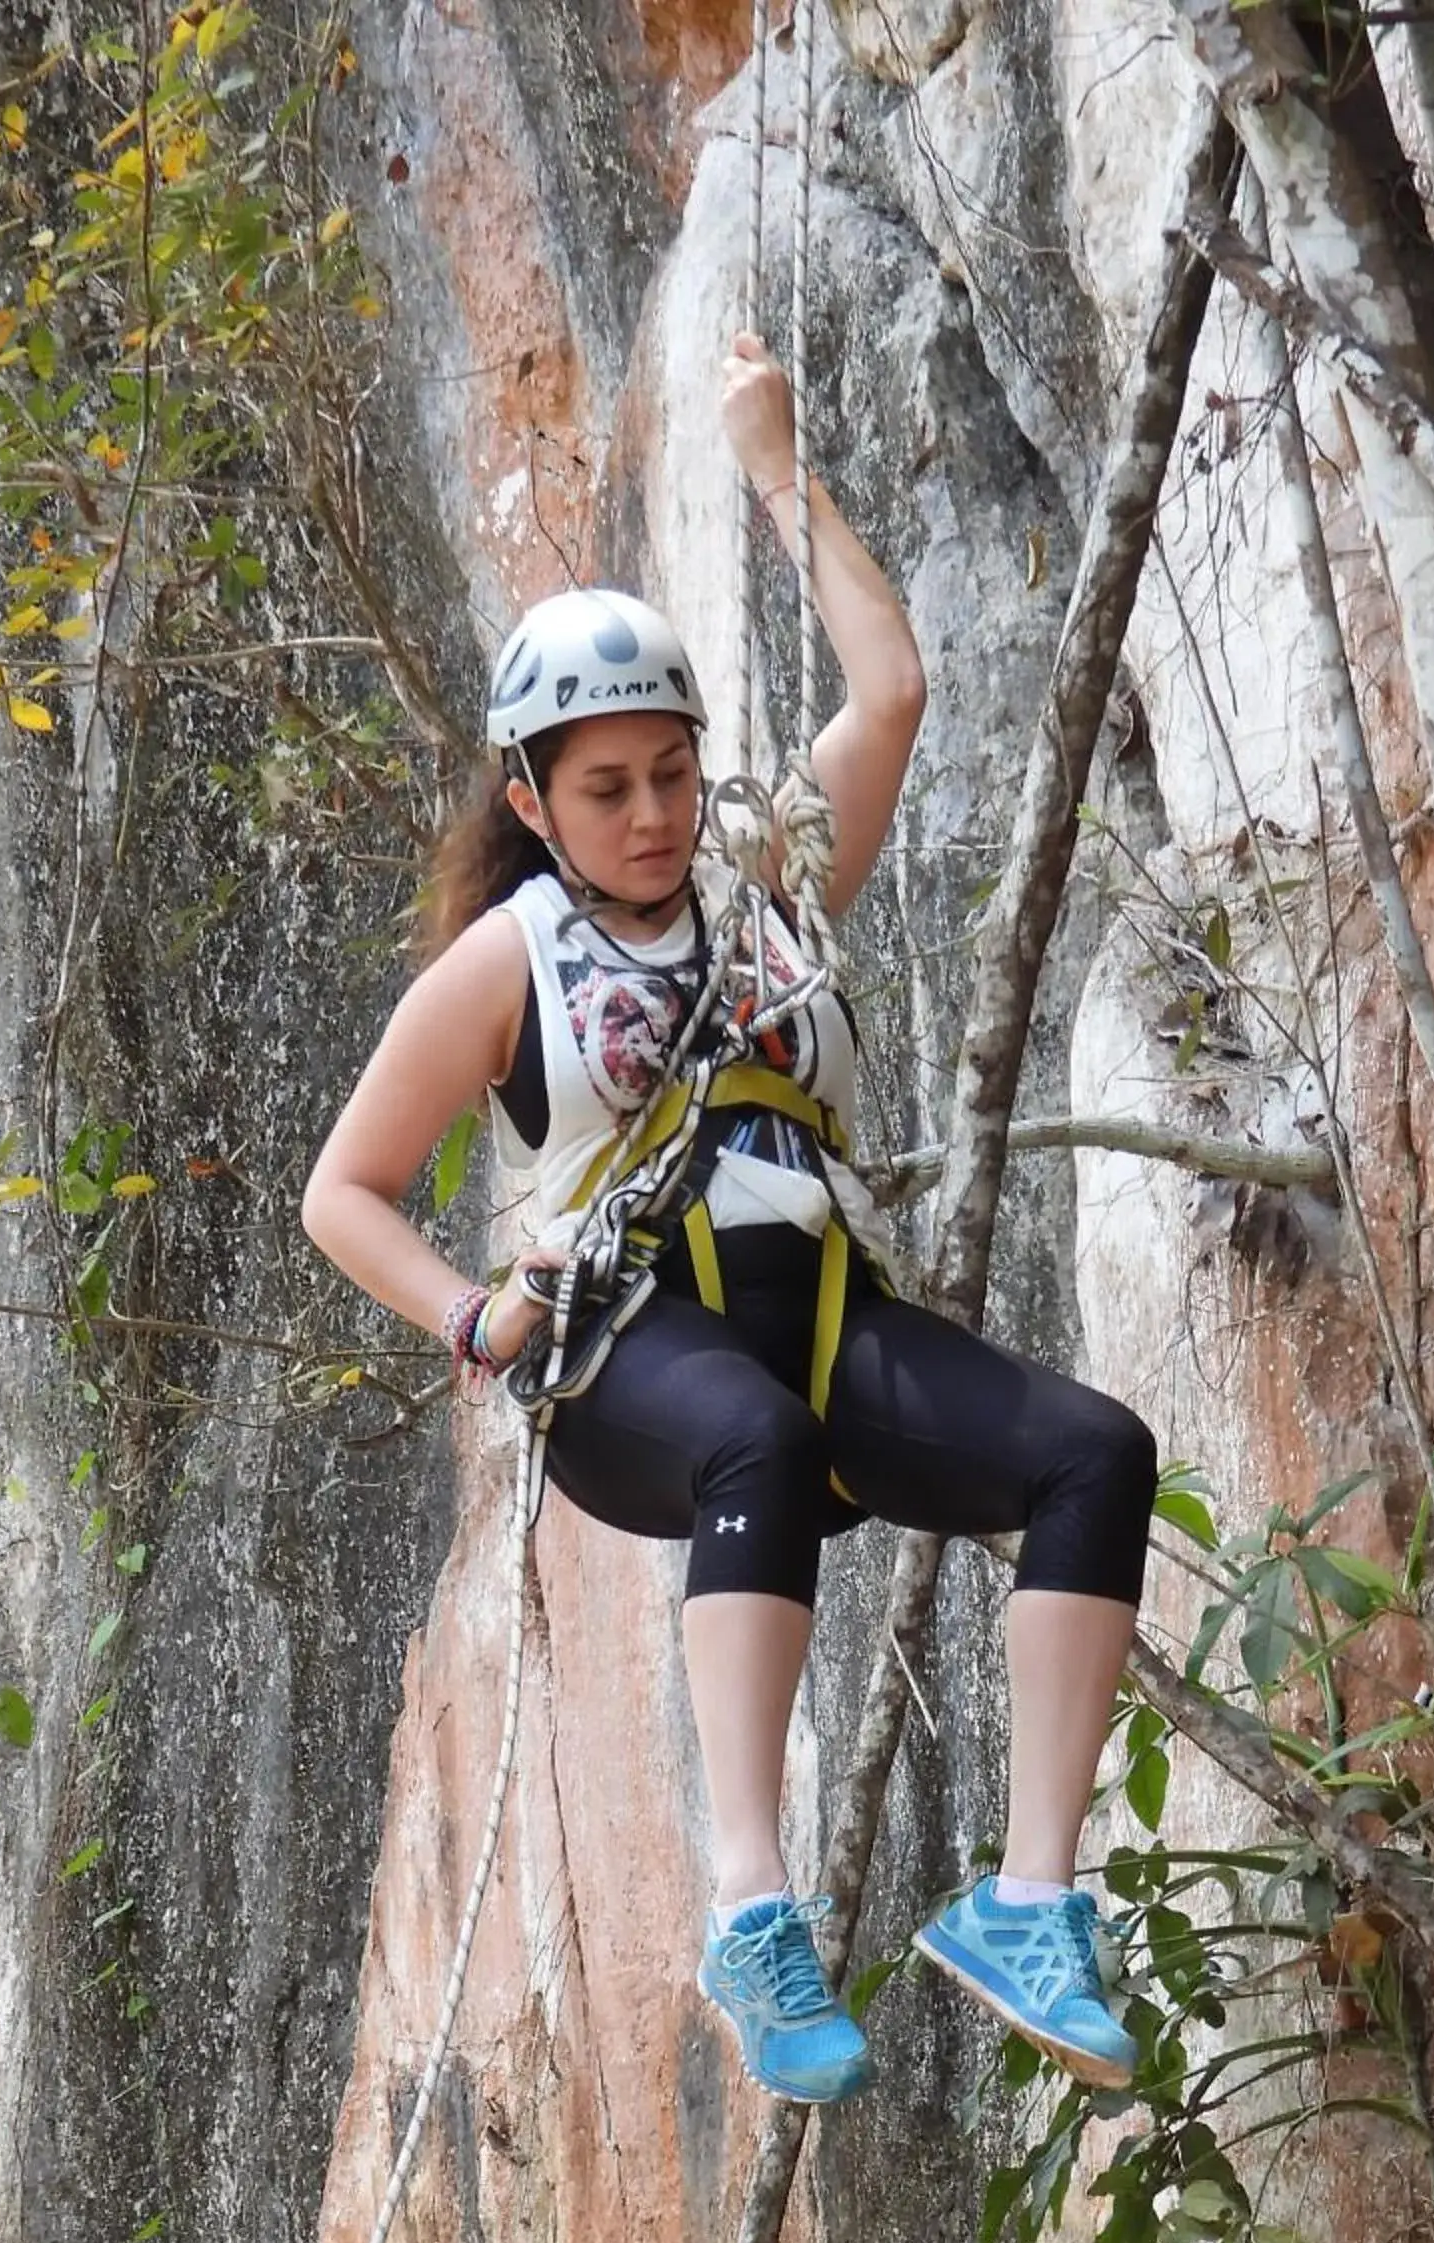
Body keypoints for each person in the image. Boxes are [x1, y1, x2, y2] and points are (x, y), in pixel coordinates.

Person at [303, 336, 1158, 2108]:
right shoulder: (508, 963)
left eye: (670, 776)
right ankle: (756, 1913)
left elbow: (895, 685)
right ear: (532, 800)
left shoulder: (769, 890)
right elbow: (344, 1191)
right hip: (631, 1354)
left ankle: (1028, 1902)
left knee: (1096, 1454)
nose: (648, 816)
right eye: (603, 789)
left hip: (821, 1312)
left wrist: (782, 470)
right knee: (752, 1437)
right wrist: (473, 1321)